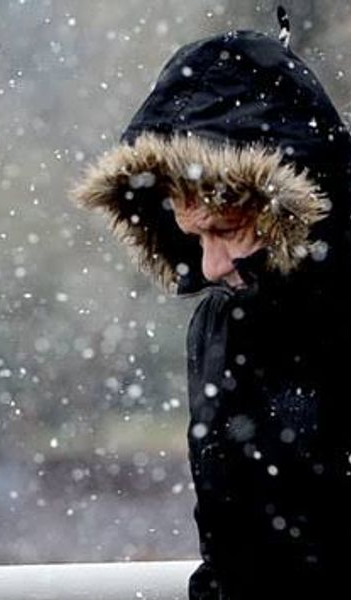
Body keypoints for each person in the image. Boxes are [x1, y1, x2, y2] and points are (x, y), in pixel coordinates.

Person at [72, 12, 351, 600]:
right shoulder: (225, 327)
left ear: (291, 200)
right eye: (195, 236)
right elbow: (232, 557)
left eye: (226, 229)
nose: (210, 266)